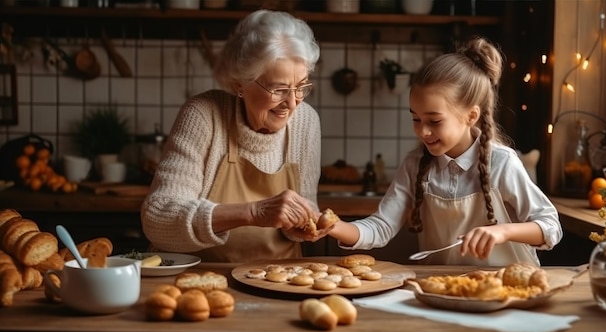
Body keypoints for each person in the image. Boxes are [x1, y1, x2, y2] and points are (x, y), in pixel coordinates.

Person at [325, 37, 562, 266]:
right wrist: (333, 226)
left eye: (434, 121)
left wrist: (504, 232)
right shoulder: (415, 164)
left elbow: (551, 227)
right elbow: (381, 227)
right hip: (441, 290)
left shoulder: (501, 163)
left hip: (508, 290)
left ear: (471, 116)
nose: (422, 131)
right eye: (416, 119)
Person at [141, 10, 325, 263]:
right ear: (241, 84)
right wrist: (253, 212)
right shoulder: (204, 115)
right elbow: (158, 219)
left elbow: (306, 209)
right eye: (279, 89)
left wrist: (301, 225)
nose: (292, 103)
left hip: (278, 280)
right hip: (199, 279)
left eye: (301, 86)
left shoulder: (306, 122)